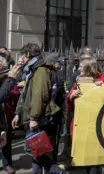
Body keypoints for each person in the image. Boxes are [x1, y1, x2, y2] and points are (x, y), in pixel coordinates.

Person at [11, 43, 64, 174]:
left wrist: (34, 117)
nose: (22, 58)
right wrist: (18, 113)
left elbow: (40, 95)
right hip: (30, 115)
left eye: (24, 55)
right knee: (36, 149)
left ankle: (56, 170)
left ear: (29, 54)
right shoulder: (32, 69)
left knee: (34, 149)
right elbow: (25, 94)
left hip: (37, 117)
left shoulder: (41, 70)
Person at [66, 57, 104, 174]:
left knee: (93, 158)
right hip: (81, 123)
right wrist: (72, 95)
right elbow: (69, 103)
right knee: (85, 157)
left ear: (88, 68)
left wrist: (102, 88)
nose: (78, 69)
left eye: (81, 67)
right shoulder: (79, 80)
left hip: (96, 124)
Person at [0, 56, 19, 174]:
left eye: (2, 66)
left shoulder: (6, 78)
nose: (2, 68)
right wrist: (10, 79)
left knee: (6, 140)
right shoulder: (8, 79)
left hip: (6, 114)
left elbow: (15, 92)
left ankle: (7, 164)